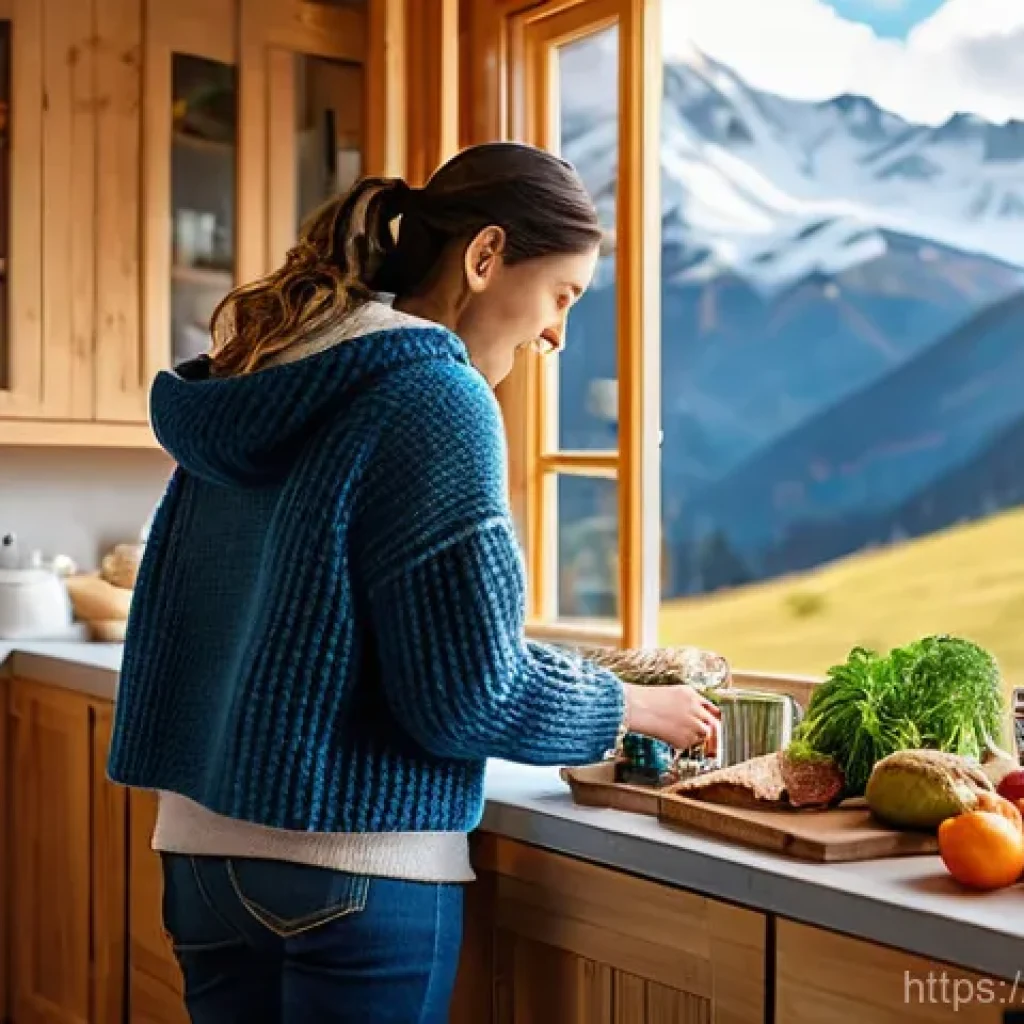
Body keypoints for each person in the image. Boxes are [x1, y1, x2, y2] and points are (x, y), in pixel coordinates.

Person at [107, 142, 722, 1023]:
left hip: (200, 863)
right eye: (563, 295)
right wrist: (628, 704)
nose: (557, 333)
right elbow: (469, 693)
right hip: (356, 868)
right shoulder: (439, 396)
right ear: (485, 256)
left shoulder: (267, 374)